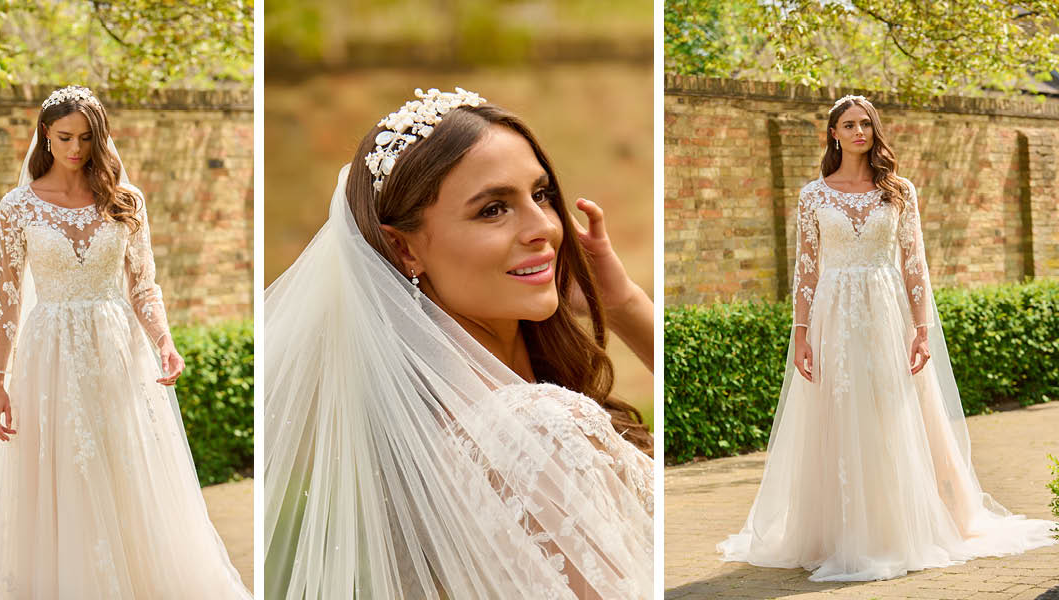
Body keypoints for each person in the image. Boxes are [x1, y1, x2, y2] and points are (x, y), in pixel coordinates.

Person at [264, 87, 655, 599]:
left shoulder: (426, 435)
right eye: (494, 209)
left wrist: (619, 300)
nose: (544, 228)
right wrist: (625, 307)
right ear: (404, 248)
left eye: (540, 195)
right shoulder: (536, 430)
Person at [718, 95, 1058, 582]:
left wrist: (921, 329)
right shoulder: (813, 196)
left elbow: (915, 263)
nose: (860, 132)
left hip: (885, 309)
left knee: (891, 412)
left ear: (876, 131)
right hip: (832, 314)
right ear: (833, 133)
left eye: (867, 124)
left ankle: (900, 528)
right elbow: (806, 272)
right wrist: (801, 335)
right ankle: (840, 532)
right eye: (849, 125)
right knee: (840, 414)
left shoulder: (898, 191)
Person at [0, 86, 253, 599]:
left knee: (123, 468)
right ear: (45, 134)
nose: (75, 148)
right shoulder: (17, 207)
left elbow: (143, 284)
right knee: (61, 474)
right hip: (48, 357)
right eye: (64, 137)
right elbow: (7, 300)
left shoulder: (125, 201)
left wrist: (165, 342)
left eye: (86, 137)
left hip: (115, 350)